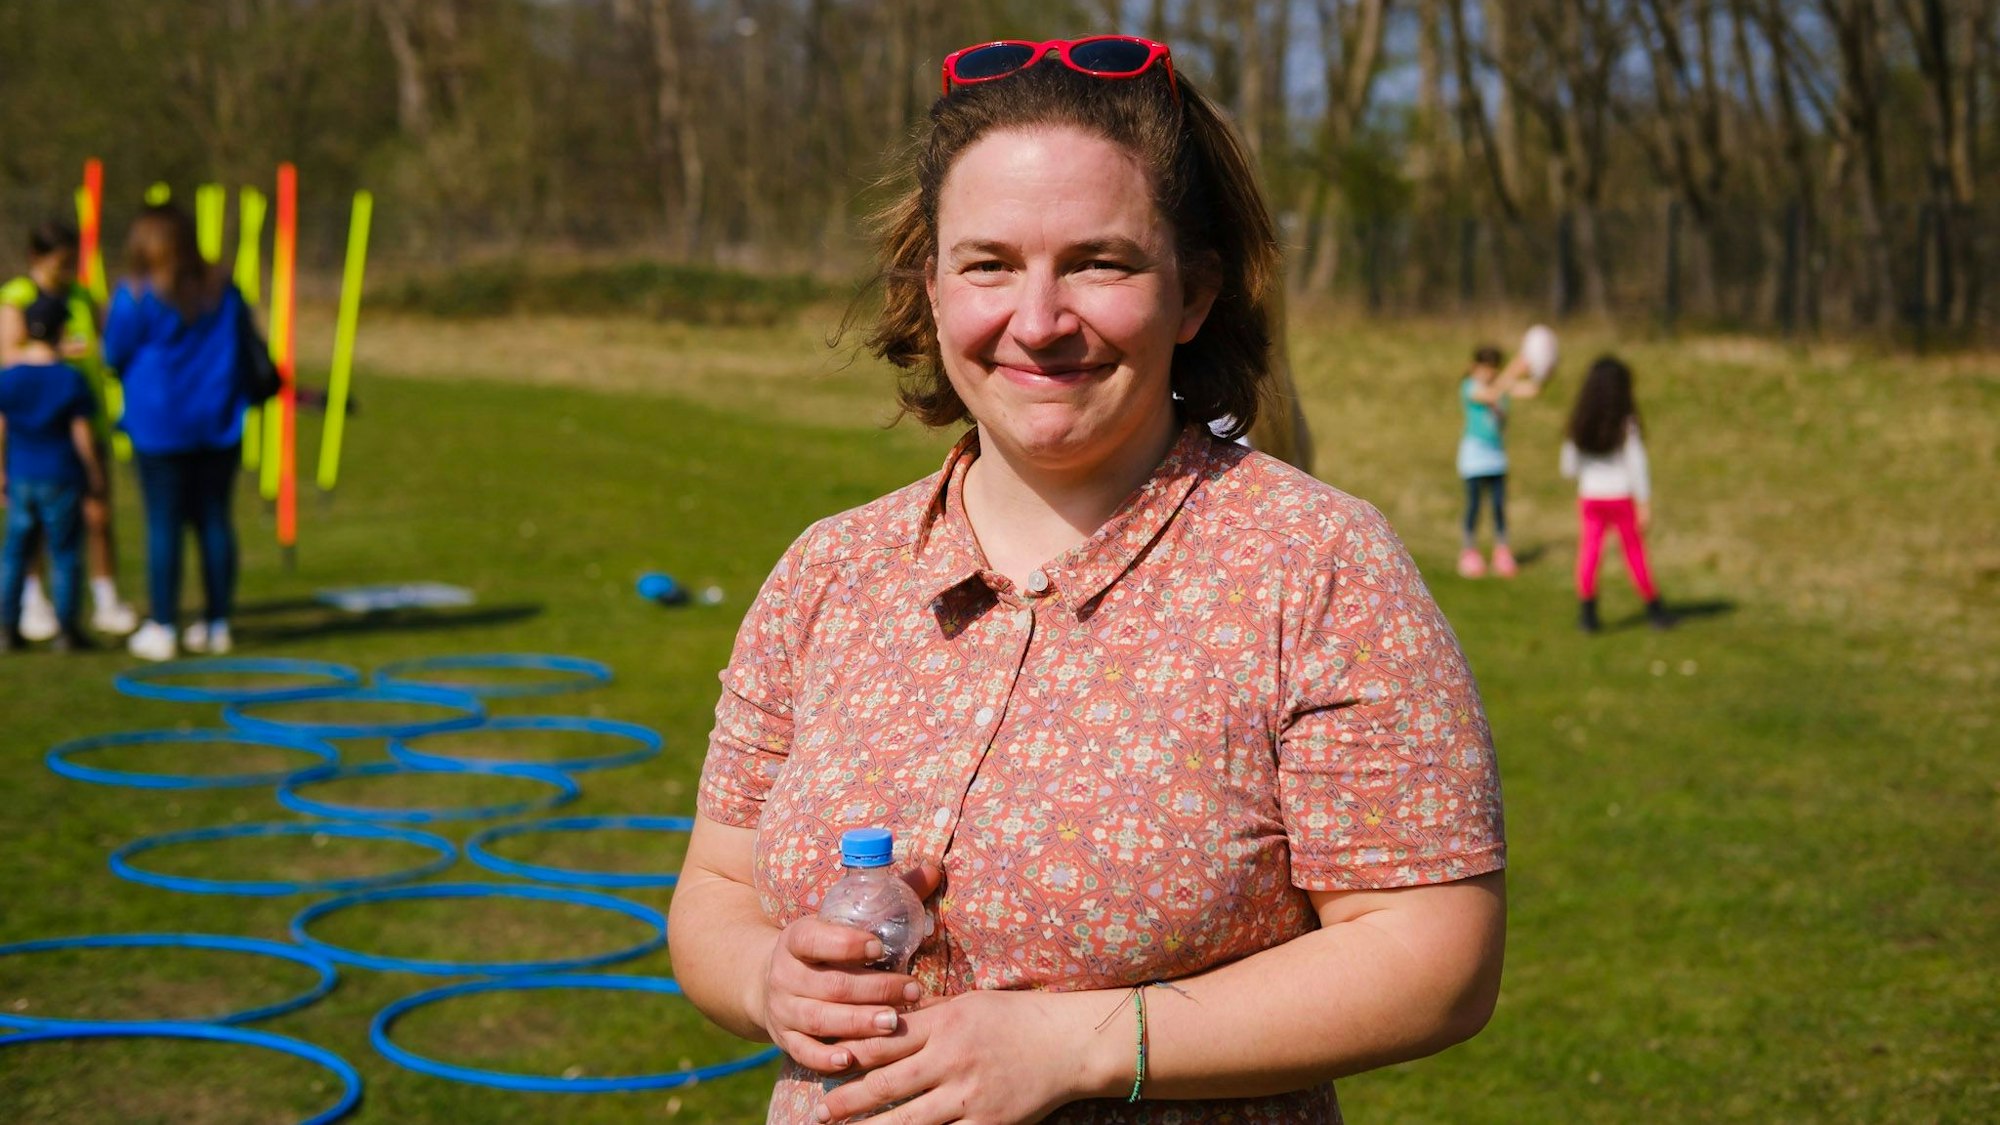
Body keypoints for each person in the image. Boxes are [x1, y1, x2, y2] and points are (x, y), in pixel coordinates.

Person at [668, 36, 1506, 1124]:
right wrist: (762, 981)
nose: (1038, 319)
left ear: (1193, 294)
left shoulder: (1318, 568)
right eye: (988, 264)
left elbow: (1433, 959)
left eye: (1098, 262)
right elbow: (717, 892)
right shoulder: (828, 571)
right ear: (928, 291)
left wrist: (1080, 1045)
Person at [100, 204, 252, 662]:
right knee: (213, 520)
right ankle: (217, 622)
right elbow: (246, 341)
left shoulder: (136, 295)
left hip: (161, 424)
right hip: (218, 419)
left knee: (164, 523)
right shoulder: (223, 289)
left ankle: (164, 625)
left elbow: (114, 353)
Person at [0, 220, 139, 637]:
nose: (67, 270)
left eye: (72, 261)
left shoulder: (81, 295)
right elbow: (8, 354)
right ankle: (34, 602)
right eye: (60, 262)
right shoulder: (16, 297)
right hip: (38, 427)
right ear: (37, 259)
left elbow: (105, 344)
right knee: (33, 525)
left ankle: (105, 598)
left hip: (82, 416)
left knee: (97, 512)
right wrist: (59, 352)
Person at [0, 294, 107, 651]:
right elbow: (82, 433)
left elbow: (1, 428)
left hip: (22, 476)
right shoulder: (69, 379)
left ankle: (6, 628)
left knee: (15, 552)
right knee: (64, 552)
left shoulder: (9, 378)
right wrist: (94, 472)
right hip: (60, 475)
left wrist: (1, 471)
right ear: (61, 329)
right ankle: (66, 629)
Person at [1562, 355, 1671, 632]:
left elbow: (1569, 467)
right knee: (1634, 554)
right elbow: (1638, 466)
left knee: (1590, 553)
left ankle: (1587, 615)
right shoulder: (1626, 423)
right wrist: (1644, 502)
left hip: (1590, 497)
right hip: (1621, 498)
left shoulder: (1580, 422)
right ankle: (1655, 610)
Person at [1455, 343, 1544, 579]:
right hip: (1474, 458)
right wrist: (1515, 369)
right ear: (1474, 368)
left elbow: (1532, 390)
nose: (1489, 373)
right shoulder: (1469, 387)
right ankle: (1469, 551)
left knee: (1498, 506)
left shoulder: (1501, 385)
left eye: (1493, 368)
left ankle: (1502, 550)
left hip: (1496, 457)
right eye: (1485, 368)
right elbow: (1489, 394)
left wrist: (1542, 368)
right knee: (1474, 505)